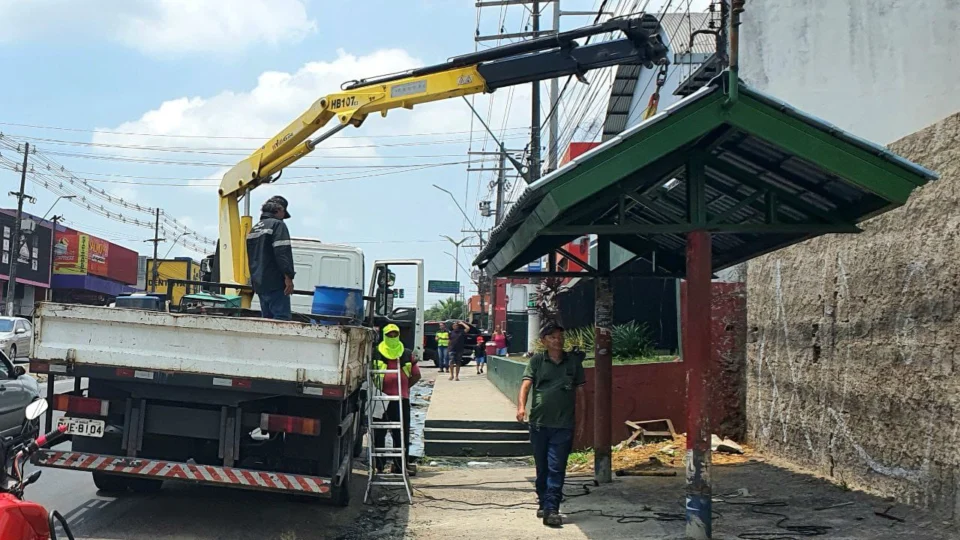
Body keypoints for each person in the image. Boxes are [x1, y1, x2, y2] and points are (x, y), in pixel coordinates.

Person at [516, 320, 586, 528]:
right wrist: (521, 407)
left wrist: (582, 421)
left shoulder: (573, 363)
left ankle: (552, 509)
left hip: (563, 424)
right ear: (544, 341)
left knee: (557, 466)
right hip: (539, 423)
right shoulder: (537, 361)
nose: (558, 341)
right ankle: (543, 499)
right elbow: (526, 385)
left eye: (560, 337)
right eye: (553, 337)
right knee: (542, 466)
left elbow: (582, 394)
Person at [372, 324, 422, 476]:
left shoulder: (406, 353)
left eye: (395, 335)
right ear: (385, 336)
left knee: (401, 433)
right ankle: (379, 466)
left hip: (401, 398)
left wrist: (405, 388)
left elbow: (416, 375)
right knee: (379, 432)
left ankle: (400, 465)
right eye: (390, 335)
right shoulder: (377, 353)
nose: (393, 338)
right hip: (381, 399)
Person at [246, 196, 295, 321]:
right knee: (281, 319)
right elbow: (282, 253)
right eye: (284, 214)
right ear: (279, 210)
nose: (283, 218)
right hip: (275, 282)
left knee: (266, 320)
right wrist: (288, 277)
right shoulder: (278, 225)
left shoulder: (255, 228)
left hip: (259, 283)